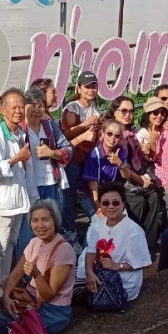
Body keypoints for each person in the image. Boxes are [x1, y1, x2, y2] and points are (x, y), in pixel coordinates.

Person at [0, 199, 76, 334]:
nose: (40, 225)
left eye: (45, 219)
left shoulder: (63, 250)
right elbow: (15, 275)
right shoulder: (34, 242)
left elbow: (49, 295)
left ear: (55, 221)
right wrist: (6, 298)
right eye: (35, 220)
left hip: (54, 311)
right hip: (31, 300)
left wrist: (37, 274)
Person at [0, 88, 35, 280]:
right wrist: (15, 159)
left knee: (11, 243)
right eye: (13, 107)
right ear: (2, 110)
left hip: (19, 200)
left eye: (21, 107)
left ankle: (4, 283)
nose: (18, 111)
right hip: (4, 203)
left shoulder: (20, 133)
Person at [18, 86, 73, 252]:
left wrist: (52, 153)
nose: (36, 110)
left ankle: (50, 261)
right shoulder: (19, 129)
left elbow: (68, 149)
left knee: (51, 226)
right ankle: (27, 265)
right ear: (24, 107)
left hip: (51, 183)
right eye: (32, 105)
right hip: (29, 186)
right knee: (28, 230)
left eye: (40, 106)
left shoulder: (50, 126)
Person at [75, 182, 152, 301]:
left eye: (115, 203)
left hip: (124, 285)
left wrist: (117, 266)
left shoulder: (134, 231)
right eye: (105, 203)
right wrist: (89, 273)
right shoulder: (98, 225)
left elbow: (144, 263)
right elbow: (90, 251)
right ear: (100, 205)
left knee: (70, 290)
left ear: (123, 204)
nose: (110, 207)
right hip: (102, 274)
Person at [106, 95, 162, 250]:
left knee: (153, 198)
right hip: (116, 178)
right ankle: (132, 243)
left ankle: (148, 244)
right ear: (114, 112)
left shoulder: (132, 133)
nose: (128, 114)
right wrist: (140, 179)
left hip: (131, 175)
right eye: (123, 111)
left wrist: (144, 150)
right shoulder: (112, 133)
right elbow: (118, 165)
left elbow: (138, 159)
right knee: (137, 201)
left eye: (131, 111)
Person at [60, 71, 101, 236]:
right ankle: (68, 231)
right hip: (74, 158)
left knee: (85, 192)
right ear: (78, 88)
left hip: (89, 157)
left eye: (93, 86)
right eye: (87, 86)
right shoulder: (72, 108)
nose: (91, 90)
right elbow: (66, 134)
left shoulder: (94, 106)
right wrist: (86, 124)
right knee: (69, 197)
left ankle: (94, 227)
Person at [136, 95, 168, 167]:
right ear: (148, 114)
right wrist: (153, 141)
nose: (159, 116)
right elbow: (150, 159)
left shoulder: (163, 129)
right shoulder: (142, 133)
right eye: (155, 113)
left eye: (162, 113)